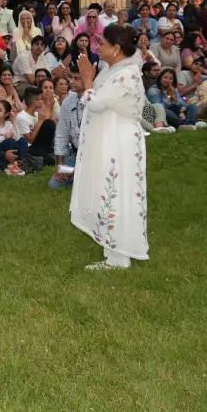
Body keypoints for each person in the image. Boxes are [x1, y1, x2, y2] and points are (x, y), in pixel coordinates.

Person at [69, 24, 150, 270]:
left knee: (117, 191)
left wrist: (87, 80)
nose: (98, 45)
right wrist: (88, 82)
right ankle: (114, 253)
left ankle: (119, 255)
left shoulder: (128, 74)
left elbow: (96, 103)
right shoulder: (112, 70)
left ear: (116, 49)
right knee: (109, 189)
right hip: (111, 137)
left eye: (102, 43)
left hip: (119, 141)